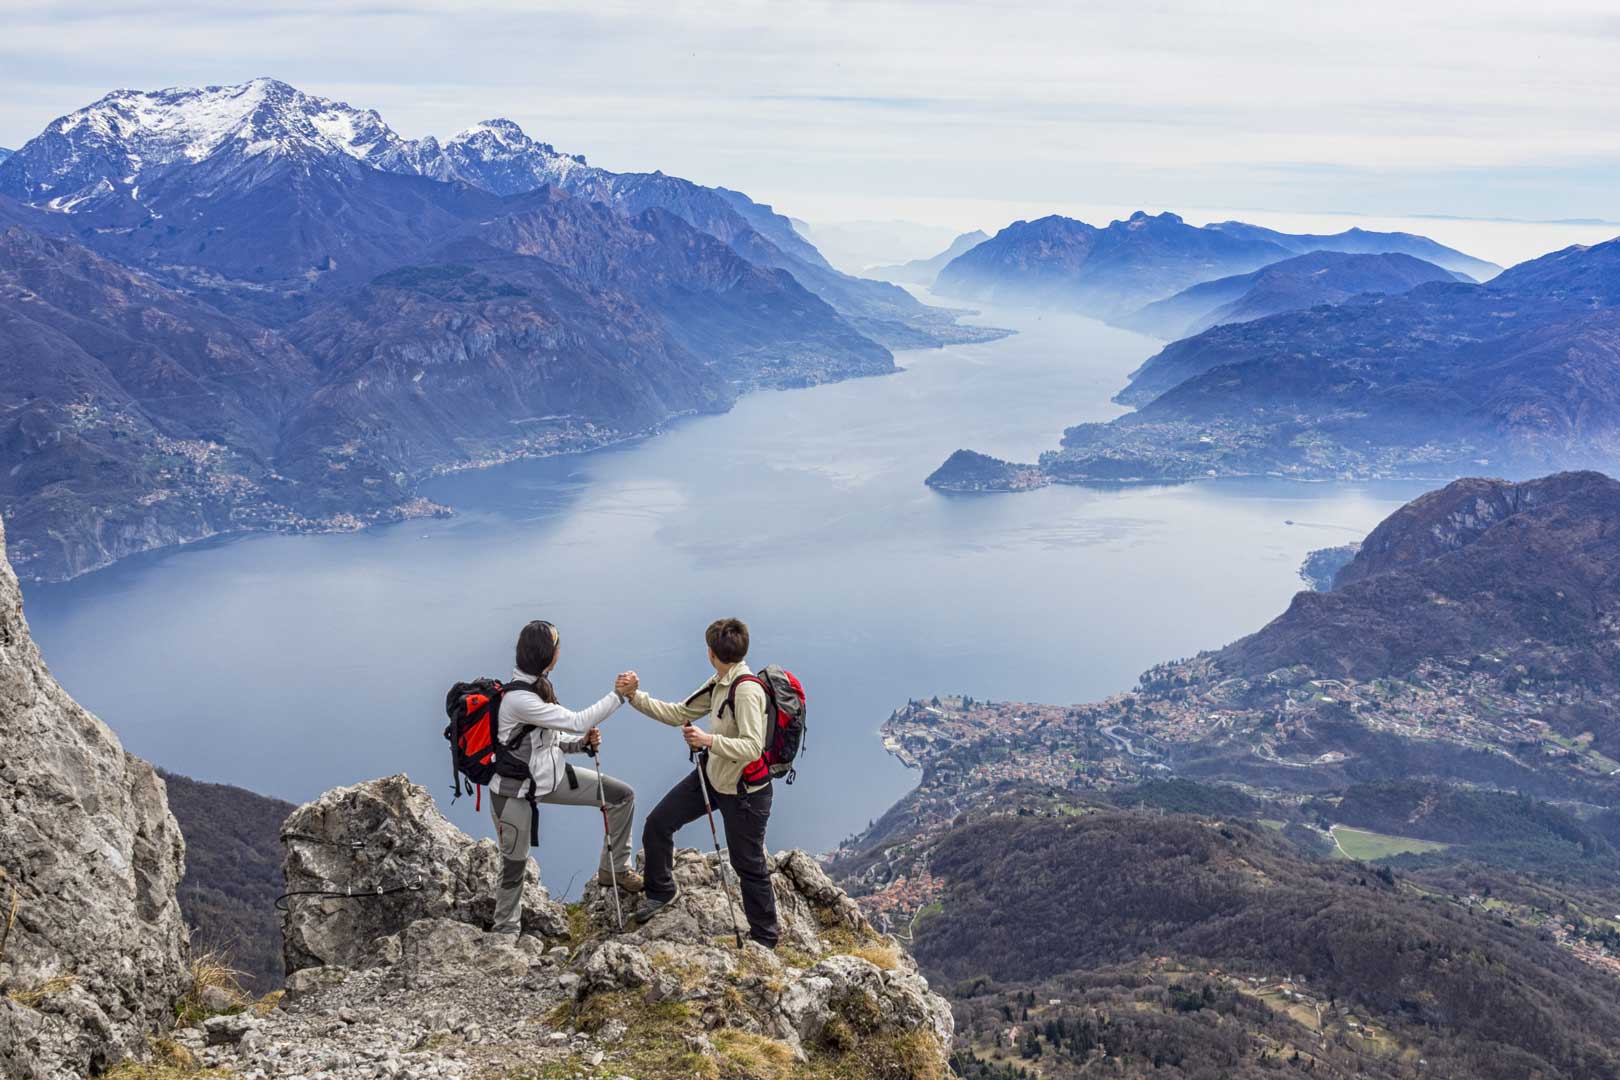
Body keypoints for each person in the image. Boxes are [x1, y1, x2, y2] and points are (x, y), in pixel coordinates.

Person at [616, 617, 778, 948]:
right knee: (658, 824)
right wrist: (635, 697)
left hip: (745, 792)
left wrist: (706, 740)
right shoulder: (720, 682)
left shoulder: (745, 690)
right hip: (714, 776)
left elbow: (752, 746)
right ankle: (661, 891)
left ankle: (765, 937)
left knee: (748, 864)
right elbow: (678, 713)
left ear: (711, 653)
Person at [488, 619, 642, 935]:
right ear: (547, 655)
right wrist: (618, 695)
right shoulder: (521, 699)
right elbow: (575, 721)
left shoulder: (537, 685)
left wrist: (580, 745)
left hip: (551, 777)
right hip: (514, 793)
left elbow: (547, 740)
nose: (561, 651)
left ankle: (613, 869)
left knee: (621, 797)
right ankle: (504, 934)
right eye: (557, 646)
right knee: (514, 867)